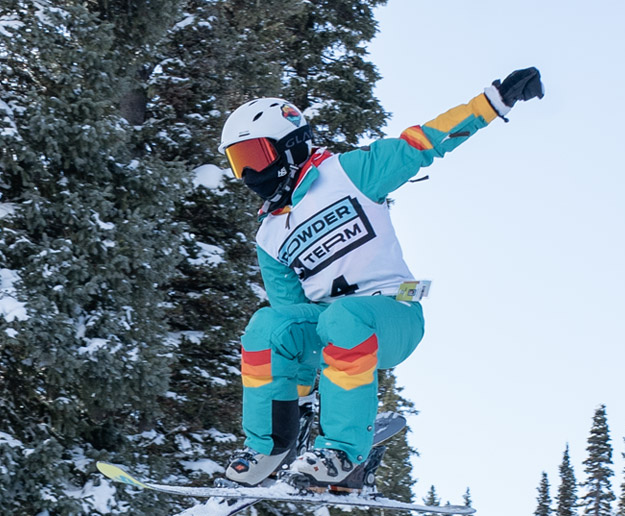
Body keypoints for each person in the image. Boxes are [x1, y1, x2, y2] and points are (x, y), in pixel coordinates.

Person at [219, 68, 544, 486]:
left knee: (343, 317)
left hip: (394, 317)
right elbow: (289, 321)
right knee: (266, 325)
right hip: (333, 334)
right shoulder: (270, 234)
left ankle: (342, 452)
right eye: (238, 164)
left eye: (256, 158)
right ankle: (270, 445)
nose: (249, 175)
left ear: (291, 146)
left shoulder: (348, 174)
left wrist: (492, 103)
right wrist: (297, 401)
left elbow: (421, 143)